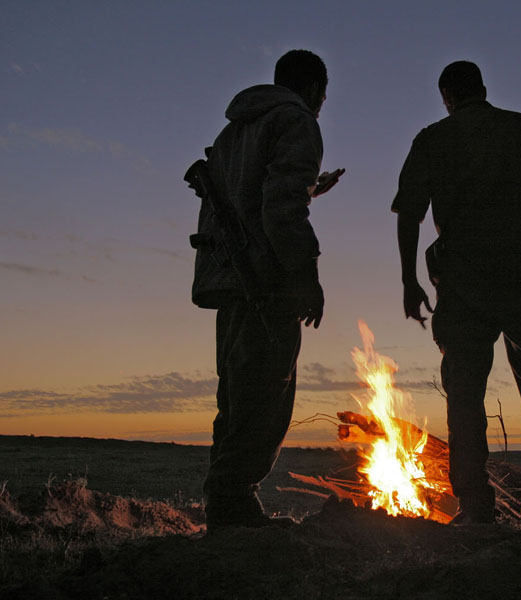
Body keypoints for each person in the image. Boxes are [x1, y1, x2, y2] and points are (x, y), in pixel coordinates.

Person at [392, 61, 521, 526]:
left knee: (464, 398)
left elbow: (409, 215)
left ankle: (476, 506)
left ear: (447, 96)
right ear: (482, 88)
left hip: (463, 289)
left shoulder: (433, 139)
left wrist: (408, 279)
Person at [195, 50, 342, 530]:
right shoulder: (296, 121)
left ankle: (225, 501)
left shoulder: (235, 128)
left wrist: (311, 190)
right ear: (314, 89)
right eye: (323, 94)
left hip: (231, 280)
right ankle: (234, 502)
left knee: (235, 395)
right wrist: (308, 276)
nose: (322, 103)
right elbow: (280, 209)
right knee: (265, 393)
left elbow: (248, 193)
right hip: (266, 282)